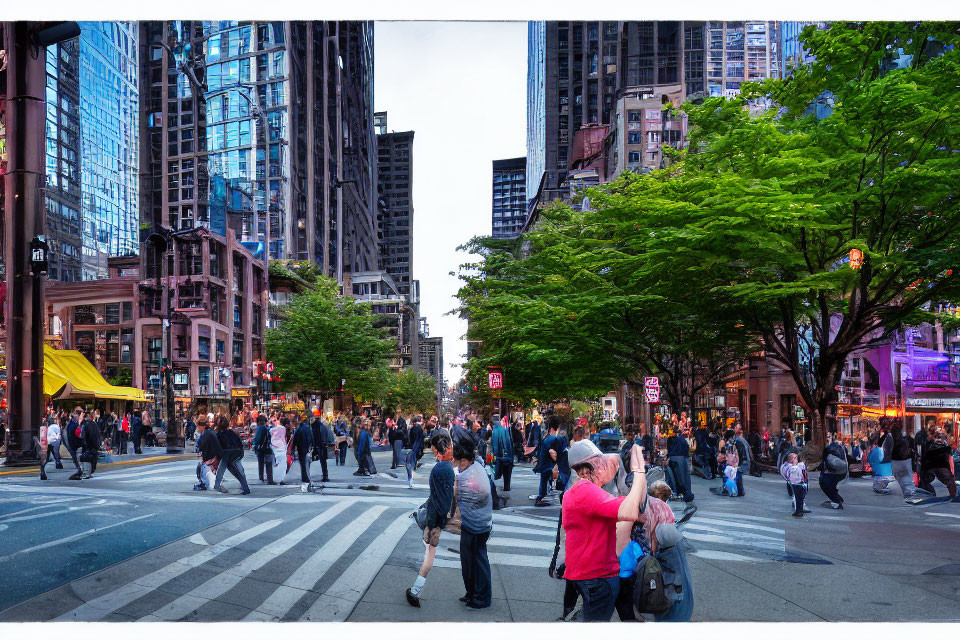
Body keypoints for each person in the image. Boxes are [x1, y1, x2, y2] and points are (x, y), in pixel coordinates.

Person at [562, 438, 647, 622]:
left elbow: (636, 509)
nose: (603, 468)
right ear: (586, 469)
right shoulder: (585, 490)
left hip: (589, 574)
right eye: (598, 463)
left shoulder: (583, 491)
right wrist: (639, 471)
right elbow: (631, 510)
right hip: (597, 576)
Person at [406, 431, 456, 608]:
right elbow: (442, 501)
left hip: (433, 520)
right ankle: (414, 591)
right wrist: (437, 523)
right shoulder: (444, 468)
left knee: (429, 556)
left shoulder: (442, 467)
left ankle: (414, 591)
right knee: (429, 556)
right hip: (434, 520)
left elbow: (439, 500)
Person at [452, 438, 493, 609]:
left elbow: (481, 493)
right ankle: (472, 593)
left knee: (478, 561)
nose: (458, 467)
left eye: (459, 463)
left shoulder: (471, 474)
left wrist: (458, 489)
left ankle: (482, 597)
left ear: (464, 460)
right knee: (469, 561)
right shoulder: (476, 467)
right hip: (476, 524)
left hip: (477, 526)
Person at [214, 417, 251, 495]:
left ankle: (217, 485)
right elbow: (239, 442)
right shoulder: (231, 432)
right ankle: (245, 487)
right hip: (236, 452)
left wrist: (218, 456)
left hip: (226, 453)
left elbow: (218, 447)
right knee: (236, 471)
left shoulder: (219, 434)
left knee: (223, 469)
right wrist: (240, 452)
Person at [919, 426, 958, 499]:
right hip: (938, 465)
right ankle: (952, 495)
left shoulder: (930, 443)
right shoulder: (932, 444)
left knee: (947, 480)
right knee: (949, 480)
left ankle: (950, 495)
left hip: (932, 465)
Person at [534, 419, 561, 507]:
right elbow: (552, 452)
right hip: (548, 464)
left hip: (544, 463)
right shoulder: (553, 438)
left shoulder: (546, 437)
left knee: (544, 480)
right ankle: (541, 498)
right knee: (545, 481)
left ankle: (541, 497)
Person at [819, 433, 848, 509]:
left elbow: (837, 463)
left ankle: (837, 501)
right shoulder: (837, 448)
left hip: (835, 472)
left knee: (824, 482)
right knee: (828, 483)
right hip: (838, 472)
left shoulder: (830, 451)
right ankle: (836, 499)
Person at [195, 417, 224, 491]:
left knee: (207, 474)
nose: (197, 428)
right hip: (213, 457)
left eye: (198, 427)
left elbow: (201, 444)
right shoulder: (209, 432)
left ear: (203, 426)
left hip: (212, 459)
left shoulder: (206, 434)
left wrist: (198, 437)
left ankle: (212, 486)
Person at [667, 428, 694, 502]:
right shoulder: (682, 440)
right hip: (681, 459)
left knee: (673, 477)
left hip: (672, 458)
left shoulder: (670, 439)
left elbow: (668, 448)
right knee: (683, 477)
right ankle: (685, 493)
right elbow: (686, 449)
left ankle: (676, 491)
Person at [291, 414, 315, 492]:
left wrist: (292, 449)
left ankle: (305, 477)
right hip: (306, 448)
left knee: (303, 464)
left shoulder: (299, 429)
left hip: (301, 448)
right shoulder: (308, 428)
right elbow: (311, 438)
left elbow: (295, 440)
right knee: (306, 463)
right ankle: (306, 477)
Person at [780, 452, 807, 517]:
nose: (796, 460)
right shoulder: (791, 467)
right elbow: (792, 474)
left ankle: (799, 510)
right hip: (796, 484)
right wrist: (794, 465)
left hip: (800, 483)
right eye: (795, 458)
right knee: (798, 498)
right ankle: (798, 511)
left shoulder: (797, 465)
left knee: (800, 498)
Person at [492, 415, 514, 492]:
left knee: (495, 475)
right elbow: (509, 443)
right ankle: (506, 487)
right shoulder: (505, 430)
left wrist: (495, 457)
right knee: (507, 475)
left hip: (500, 457)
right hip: (508, 457)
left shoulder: (495, 430)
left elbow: (495, 445)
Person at [311, 411, 333, 483]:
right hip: (321, 446)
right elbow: (329, 435)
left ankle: (324, 476)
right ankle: (325, 476)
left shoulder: (314, 426)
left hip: (319, 446)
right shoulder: (322, 426)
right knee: (323, 462)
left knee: (321, 461)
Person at [405, 416, 426, 489]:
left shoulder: (413, 429)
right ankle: (411, 479)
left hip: (413, 448)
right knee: (412, 463)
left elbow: (410, 439)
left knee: (409, 464)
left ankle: (410, 481)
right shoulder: (420, 429)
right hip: (418, 448)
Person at [252, 415, 273, 484]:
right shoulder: (267, 428)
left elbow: (257, 439)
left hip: (261, 449)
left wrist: (255, 446)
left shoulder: (260, 428)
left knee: (261, 464)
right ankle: (270, 479)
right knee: (268, 464)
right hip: (268, 448)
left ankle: (261, 478)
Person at [269, 417, 290, 485]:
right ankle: (281, 479)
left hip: (274, 447)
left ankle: (276, 478)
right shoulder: (283, 429)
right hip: (281, 448)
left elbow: (270, 432)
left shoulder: (274, 429)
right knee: (283, 465)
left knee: (276, 464)